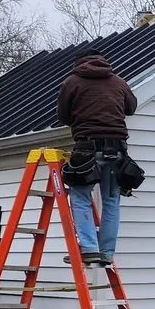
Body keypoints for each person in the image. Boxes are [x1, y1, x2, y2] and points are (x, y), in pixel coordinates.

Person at [56, 49, 137, 266]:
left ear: (78, 63)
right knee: (111, 200)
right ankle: (107, 252)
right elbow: (131, 108)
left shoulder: (72, 82)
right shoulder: (118, 82)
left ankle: (90, 248)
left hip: (87, 148)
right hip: (117, 150)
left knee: (81, 196)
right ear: (103, 61)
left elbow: (63, 115)